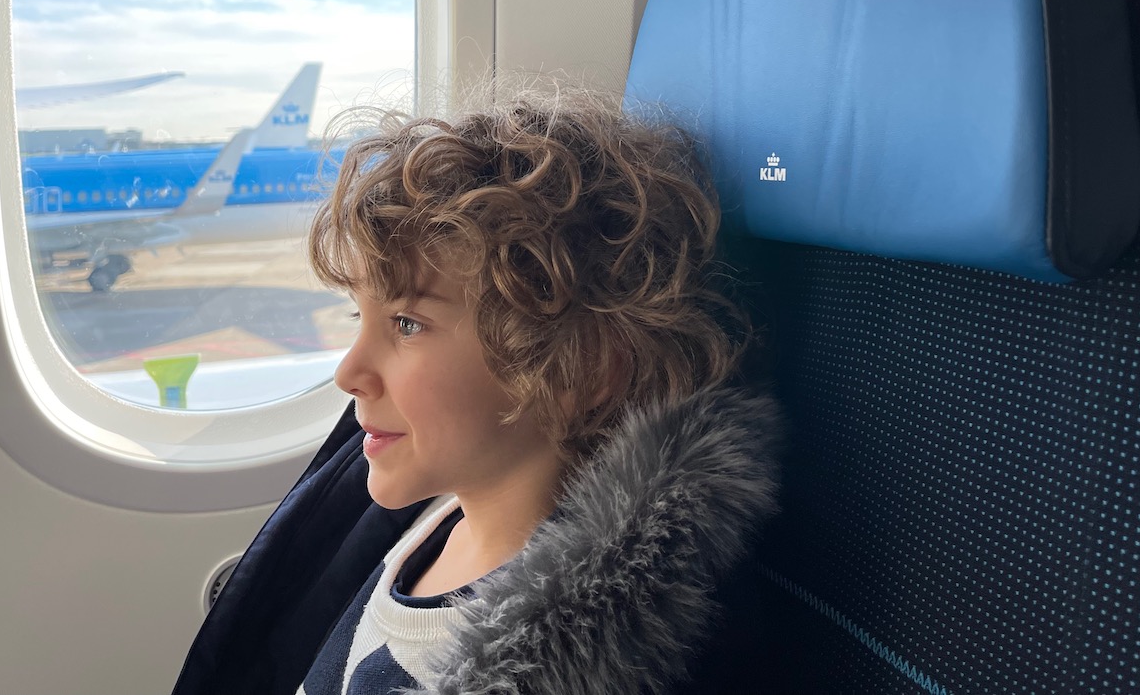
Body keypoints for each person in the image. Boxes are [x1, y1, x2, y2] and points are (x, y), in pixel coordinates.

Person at [172, 93, 780, 695]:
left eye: (407, 324)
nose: (349, 372)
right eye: (358, 316)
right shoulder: (437, 513)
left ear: (581, 371)